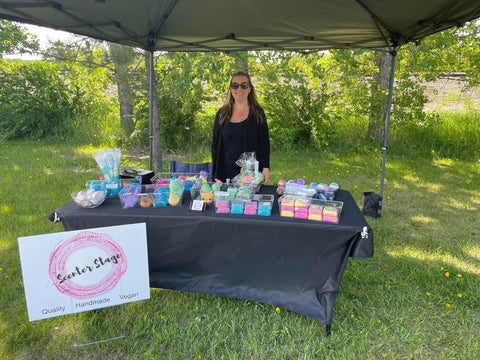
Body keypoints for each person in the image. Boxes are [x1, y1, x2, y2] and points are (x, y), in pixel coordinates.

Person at [211, 71, 270, 184]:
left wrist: (266, 168)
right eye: (235, 85)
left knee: (248, 200)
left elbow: (264, 144)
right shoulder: (222, 113)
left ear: (249, 89)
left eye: (244, 85)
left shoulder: (257, 113)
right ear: (231, 89)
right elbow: (215, 145)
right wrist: (215, 172)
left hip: (249, 172)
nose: (239, 89)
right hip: (225, 170)